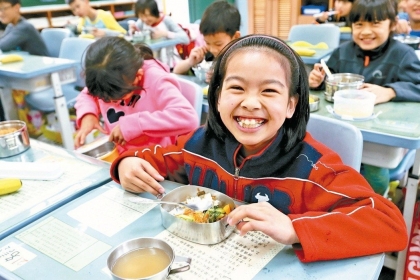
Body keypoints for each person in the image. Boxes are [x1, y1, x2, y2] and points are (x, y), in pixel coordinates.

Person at [109, 34, 407, 262]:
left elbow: (388, 223)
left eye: (269, 91)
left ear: (291, 105)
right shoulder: (199, 143)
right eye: (236, 88)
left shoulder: (314, 167)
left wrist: (295, 229)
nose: (250, 103)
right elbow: (153, 160)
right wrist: (125, 165)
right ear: (216, 98)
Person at [309, 0, 420, 195]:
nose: (366, 31)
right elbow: (330, 73)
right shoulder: (343, 51)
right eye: (359, 24)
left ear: (392, 25)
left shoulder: (403, 55)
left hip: (381, 139)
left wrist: (391, 91)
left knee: (375, 175)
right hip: (341, 131)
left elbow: (417, 85)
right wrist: (318, 80)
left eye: (375, 23)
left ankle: (375, 199)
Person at [74, 37, 198, 154]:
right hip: (121, 155)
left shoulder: (156, 79)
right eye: (105, 99)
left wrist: (134, 124)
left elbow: (188, 118)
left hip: (156, 158)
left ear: (138, 76)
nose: (110, 101)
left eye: (119, 96)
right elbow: (87, 95)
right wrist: (88, 115)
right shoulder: (104, 80)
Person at [172, 0, 241, 77]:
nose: (212, 49)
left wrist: (217, 80)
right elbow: (176, 71)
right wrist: (190, 62)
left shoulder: (241, 58)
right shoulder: (208, 55)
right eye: (207, 43)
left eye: (218, 44)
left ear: (235, 37)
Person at [128, 0, 189, 67]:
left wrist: (165, 33)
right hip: (152, 64)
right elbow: (132, 34)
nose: (145, 19)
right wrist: (132, 30)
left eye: (147, 15)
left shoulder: (166, 20)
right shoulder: (141, 22)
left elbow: (185, 38)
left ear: (155, 12)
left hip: (171, 64)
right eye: (141, 16)